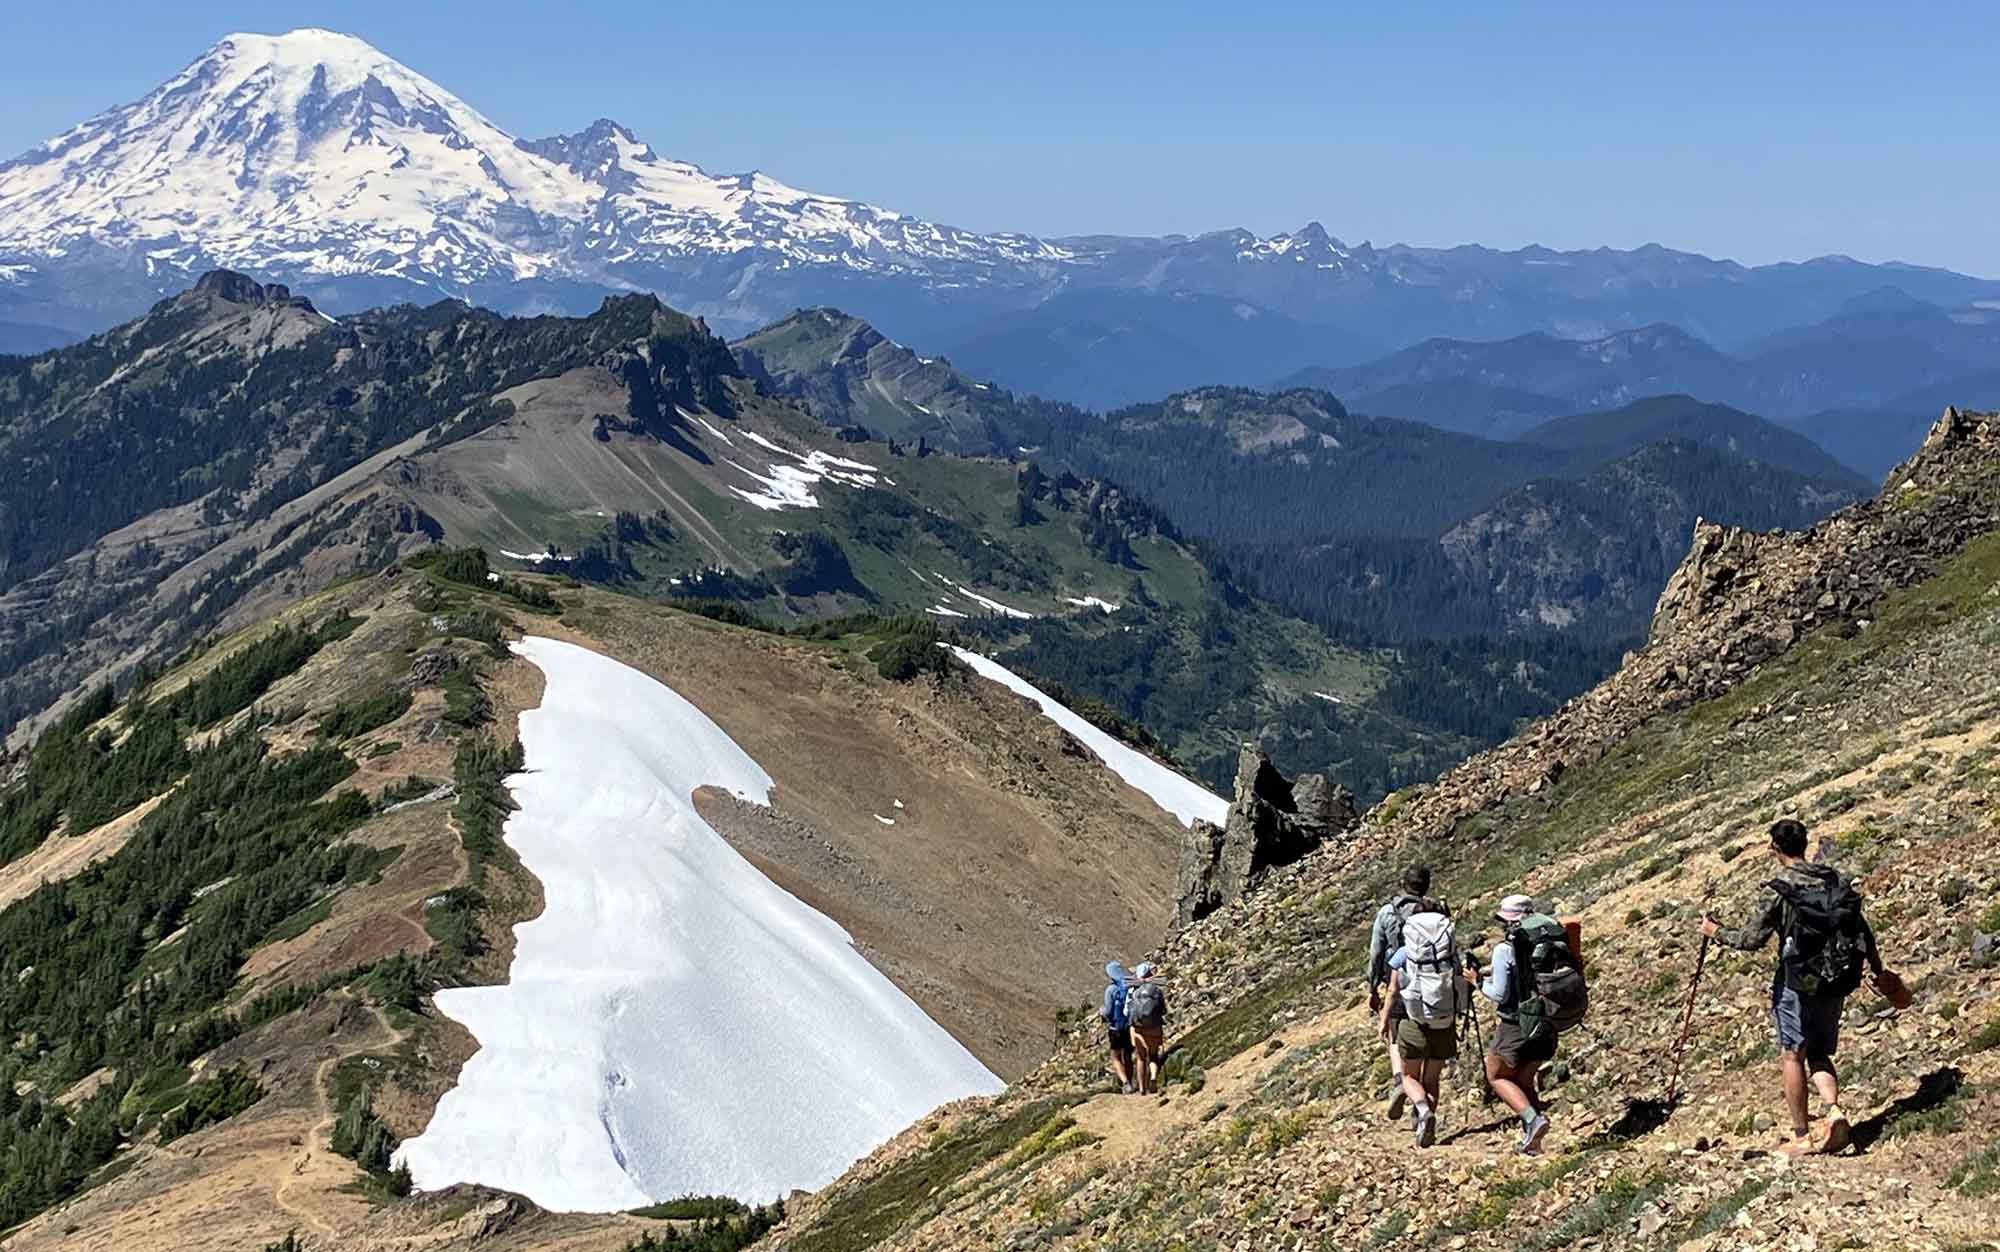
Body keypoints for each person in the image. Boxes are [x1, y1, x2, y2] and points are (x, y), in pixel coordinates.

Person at [1702, 818, 1882, 1155]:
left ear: (1775, 848)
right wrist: (1877, 967)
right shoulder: (1833, 879)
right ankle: (1833, 1109)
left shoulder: (1778, 888)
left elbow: (1751, 939)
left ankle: (1802, 1136)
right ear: (1804, 843)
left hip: (1796, 980)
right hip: (1834, 975)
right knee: (1818, 1051)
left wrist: (1716, 933)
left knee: (1792, 1054)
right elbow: (1861, 926)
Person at [1467, 893, 1554, 1154]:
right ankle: (1534, 1142)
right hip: (1546, 1020)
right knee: (1525, 1080)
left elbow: (1500, 994)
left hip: (1515, 1024)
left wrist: (1477, 981)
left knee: (1495, 1075)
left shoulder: (1506, 949)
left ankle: (1532, 1119)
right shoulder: (1546, 941)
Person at [1377, 906, 1465, 1147]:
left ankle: (1423, 1111)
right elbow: (1461, 985)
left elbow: (1393, 991)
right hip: (1444, 1023)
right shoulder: (1449, 955)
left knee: (1408, 1076)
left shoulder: (1405, 954)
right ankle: (1425, 1128)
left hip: (1413, 1022)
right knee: (1432, 1079)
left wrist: (1384, 1020)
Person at [1366, 864, 1448, 1123]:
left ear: (1403, 883)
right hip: (1438, 990)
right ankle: (1422, 1115)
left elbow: (1375, 952)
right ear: (1427, 885)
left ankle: (1400, 1081)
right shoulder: (1438, 913)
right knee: (1432, 1062)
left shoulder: (1389, 913)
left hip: (1401, 982)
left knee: (1395, 1037)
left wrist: (1372, 987)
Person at [1126, 962, 1170, 1094]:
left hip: (1138, 1028)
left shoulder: (1132, 990)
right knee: (1153, 1056)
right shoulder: (1156, 990)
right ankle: (1153, 1078)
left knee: (1140, 1058)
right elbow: (1163, 1010)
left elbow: (1126, 1011)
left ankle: (1141, 1089)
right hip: (1154, 1027)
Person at [1100, 960, 1136, 1093]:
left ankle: (1126, 1083)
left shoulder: (1111, 990)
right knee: (1128, 1055)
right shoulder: (1130, 986)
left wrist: (1102, 1012)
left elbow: (1108, 1011)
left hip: (1115, 1028)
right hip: (1129, 1026)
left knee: (1115, 1056)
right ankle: (1131, 1081)